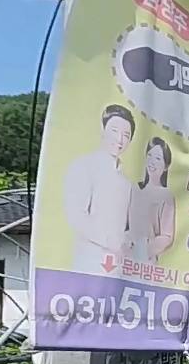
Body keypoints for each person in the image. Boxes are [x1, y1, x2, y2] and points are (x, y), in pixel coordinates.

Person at [62, 104, 135, 274]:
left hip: (120, 266)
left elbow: (128, 225)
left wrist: (127, 241)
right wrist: (110, 241)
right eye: (114, 131)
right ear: (103, 130)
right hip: (89, 260)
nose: (120, 139)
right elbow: (77, 215)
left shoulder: (126, 182)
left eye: (126, 135)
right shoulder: (84, 166)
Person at [128, 136, 176, 262]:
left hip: (145, 261)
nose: (152, 162)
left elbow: (167, 236)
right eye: (149, 155)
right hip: (123, 258)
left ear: (166, 166)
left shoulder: (166, 196)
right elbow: (125, 225)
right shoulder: (135, 188)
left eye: (158, 158)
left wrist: (142, 252)